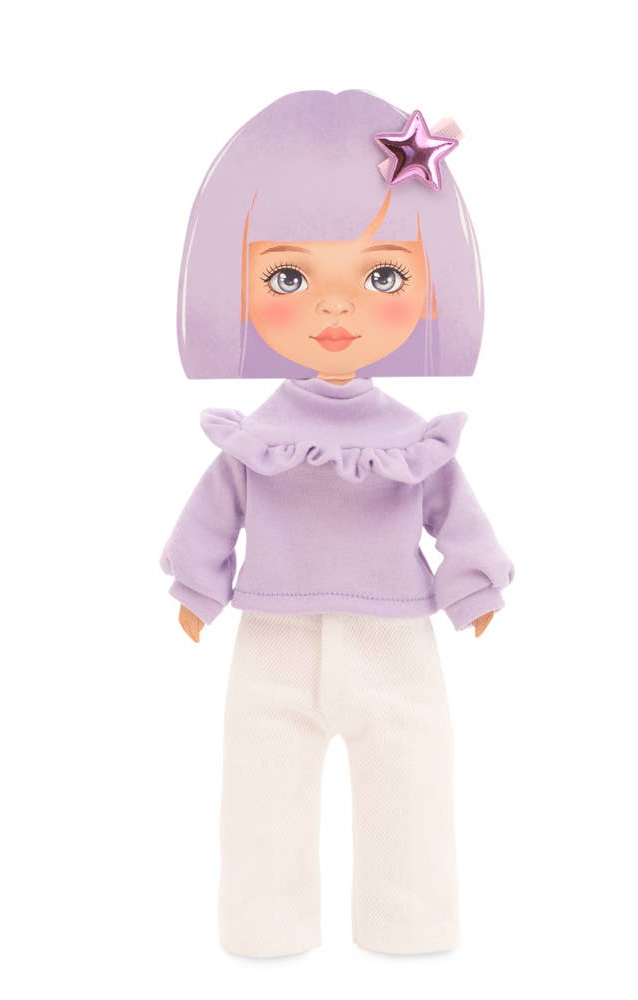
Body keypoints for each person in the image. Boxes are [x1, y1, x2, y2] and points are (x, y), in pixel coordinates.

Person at [160, 89, 514, 957]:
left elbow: (452, 511)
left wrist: (473, 588)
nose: (334, 307)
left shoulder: (410, 438)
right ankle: (263, 931)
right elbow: (216, 512)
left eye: (382, 276)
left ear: (429, 285)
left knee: (412, 786)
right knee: (261, 795)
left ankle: (412, 928)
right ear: (238, 285)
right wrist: (196, 588)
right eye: (288, 277)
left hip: (395, 640)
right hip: (273, 637)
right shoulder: (258, 438)